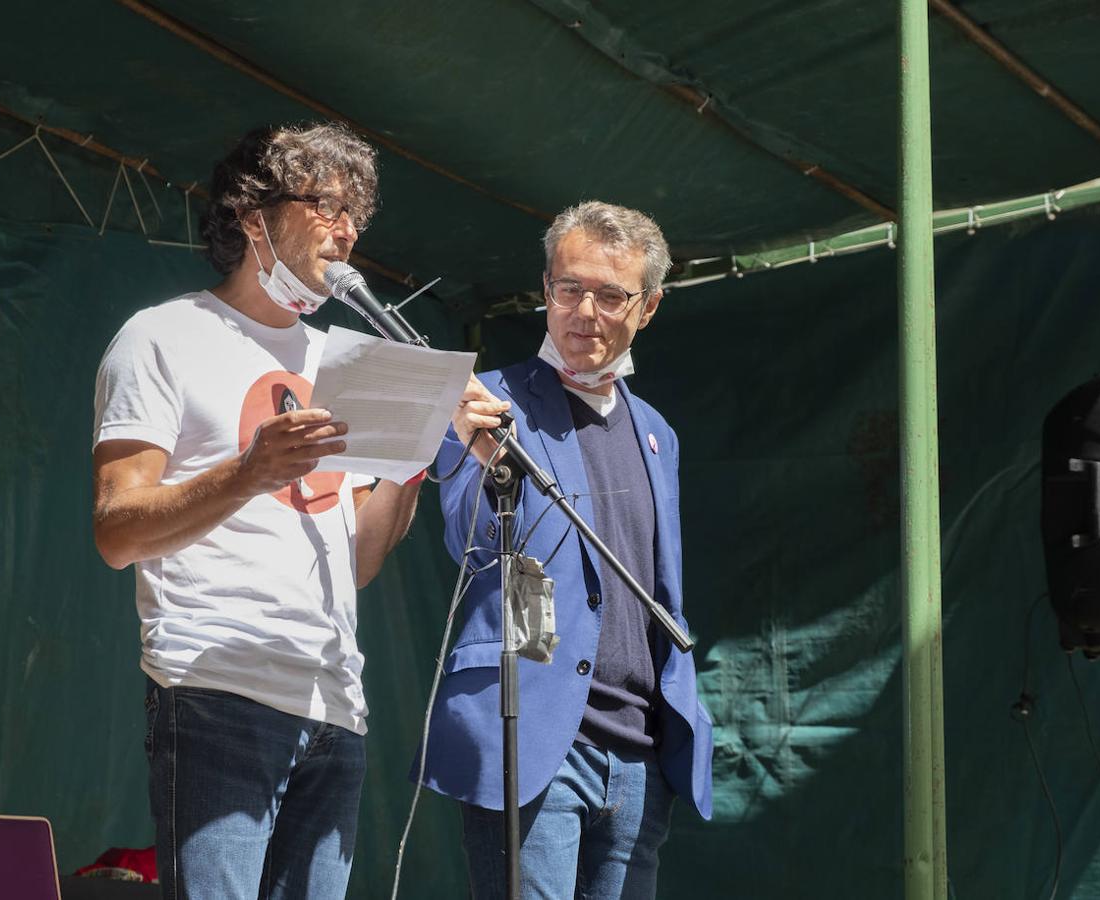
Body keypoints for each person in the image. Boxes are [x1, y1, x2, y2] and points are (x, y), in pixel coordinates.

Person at [91, 122, 426, 899]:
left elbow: (361, 563)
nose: (346, 231)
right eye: (326, 206)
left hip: (335, 706)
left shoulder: (336, 358)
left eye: (356, 216)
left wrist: (411, 463)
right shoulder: (163, 336)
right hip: (216, 689)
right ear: (251, 215)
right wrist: (248, 472)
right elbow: (115, 531)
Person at [419, 201, 713, 899]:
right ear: (545, 289)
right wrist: (479, 452)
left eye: (610, 294)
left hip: (640, 751)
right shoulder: (487, 401)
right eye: (567, 288)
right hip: (538, 733)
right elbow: (470, 544)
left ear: (648, 307)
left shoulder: (657, 432)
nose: (584, 310)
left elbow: (657, 585)